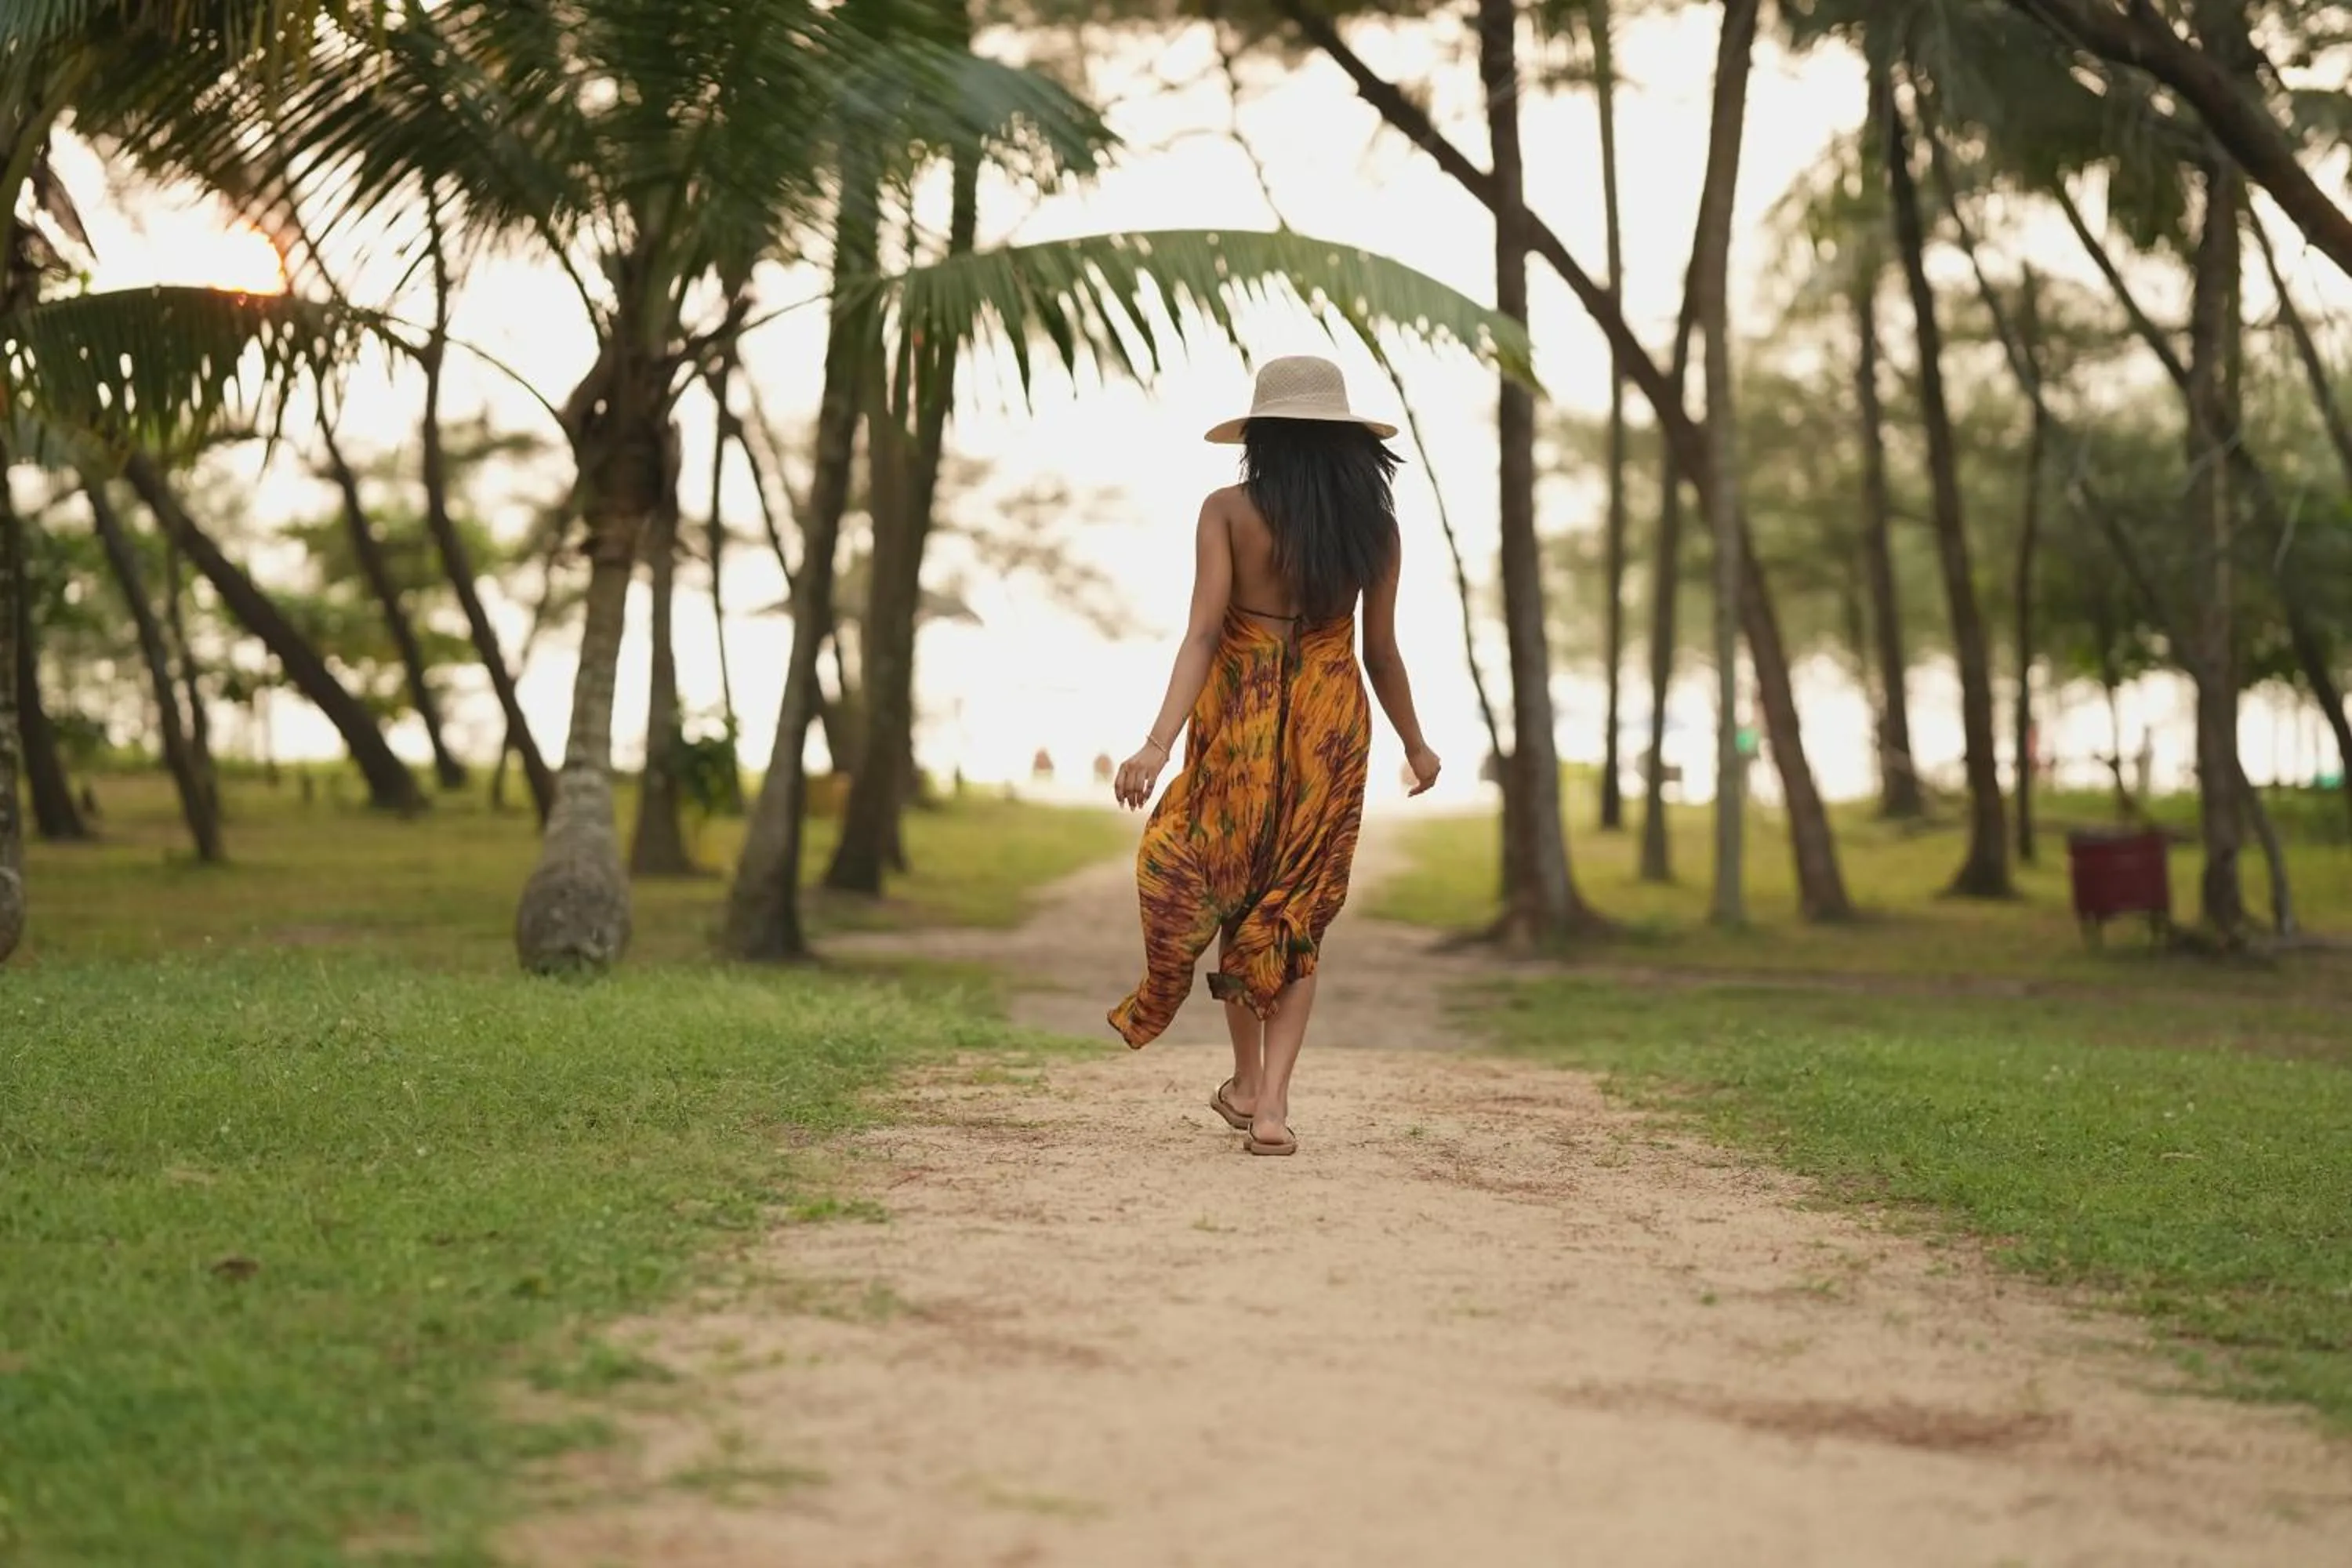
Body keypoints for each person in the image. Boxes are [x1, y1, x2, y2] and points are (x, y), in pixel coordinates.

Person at [1108, 355, 1441, 1156]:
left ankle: (1248, 1079)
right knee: (1295, 914)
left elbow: (1202, 633)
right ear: (1346, 442)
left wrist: (1156, 744)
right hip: (1330, 729)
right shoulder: (1375, 529)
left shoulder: (1227, 511)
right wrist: (1416, 742)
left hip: (1240, 728)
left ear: (1263, 437)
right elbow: (1382, 652)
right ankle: (1273, 1108)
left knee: (1233, 896)